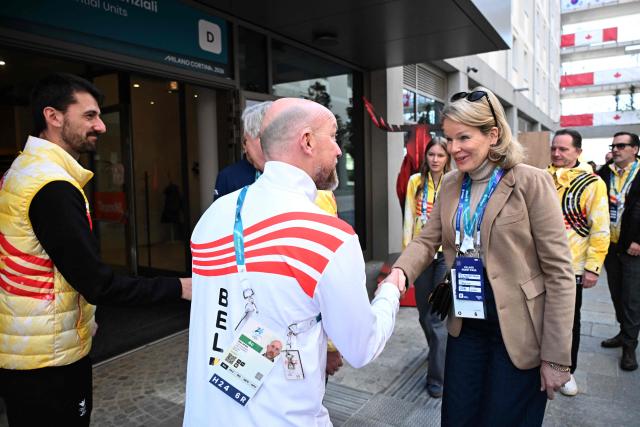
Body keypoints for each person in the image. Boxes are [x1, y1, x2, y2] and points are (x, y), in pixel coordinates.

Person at [184, 97, 404, 426]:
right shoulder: (329, 237)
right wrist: (391, 290)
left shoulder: (212, 218)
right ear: (307, 141)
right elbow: (361, 347)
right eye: (334, 137)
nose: (340, 151)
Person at [0, 73, 191, 426]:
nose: (101, 126)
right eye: (89, 116)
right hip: (50, 363)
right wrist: (179, 287)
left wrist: (83, 318)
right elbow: (97, 282)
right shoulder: (52, 187)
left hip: (29, 351)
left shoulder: (22, 171)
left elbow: (45, 264)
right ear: (53, 116)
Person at [387, 87, 575, 426]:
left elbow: (560, 273)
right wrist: (398, 275)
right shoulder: (450, 184)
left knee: (503, 418)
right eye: (448, 139)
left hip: (519, 325)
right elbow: (426, 240)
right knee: (458, 415)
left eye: (463, 138)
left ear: (493, 134)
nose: (453, 149)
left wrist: (558, 358)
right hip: (466, 317)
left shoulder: (531, 182)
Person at [214, 101, 343, 375]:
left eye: (247, 141)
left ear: (263, 138)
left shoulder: (314, 192)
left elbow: (328, 280)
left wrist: (331, 347)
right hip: (245, 324)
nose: (244, 149)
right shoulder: (232, 179)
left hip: (296, 330)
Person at [547, 129, 610, 395]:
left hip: (571, 266)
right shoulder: (540, 177)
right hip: (537, 264)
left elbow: (600, 228)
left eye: (564, 149)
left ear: (578, 152)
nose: (557, 154)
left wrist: (593, 267)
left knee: (568, 320)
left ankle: (566, 370)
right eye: (554, 149)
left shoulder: (592, 184)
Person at [402, 136, 451, 398]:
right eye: (431, 155)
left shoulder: (454, 181)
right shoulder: (415, 182)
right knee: (423, 313)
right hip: (422, 252)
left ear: (447, 158)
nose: (435, 159)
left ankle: (438, 377)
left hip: (445, 253)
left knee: (437, 317)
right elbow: (409, 216)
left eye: (440, 155)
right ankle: (438, 350)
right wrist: (408, 255)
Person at [597, 131, 640, 371]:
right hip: (610, 246)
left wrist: (638, 240)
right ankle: (624, 333)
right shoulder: (605, 173)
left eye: (621, 145)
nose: (616, 149)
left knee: (632, 298)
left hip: (633, 247)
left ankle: (630, 347)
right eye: (613, 145)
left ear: (634, 149)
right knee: (617, 295)